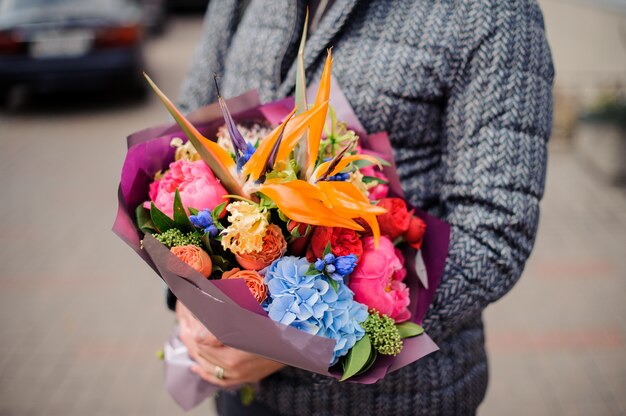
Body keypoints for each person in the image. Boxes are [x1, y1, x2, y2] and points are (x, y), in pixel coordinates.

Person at [171, 0, 555, 415]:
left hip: (391, 399)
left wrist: (303, 347)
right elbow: (185, 139)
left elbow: (494, 231)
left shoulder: (491, 12)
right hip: (241, 393)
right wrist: (190, 289)